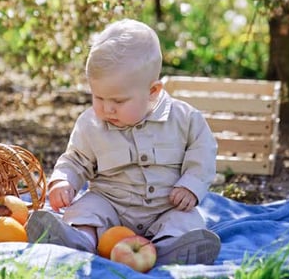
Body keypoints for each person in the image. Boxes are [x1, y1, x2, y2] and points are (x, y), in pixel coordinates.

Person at [27, 18, 220, 266]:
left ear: (153, 92)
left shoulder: (184, 119)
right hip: (111, 206)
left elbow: (203, 151)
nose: (107, 108)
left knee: (186, 220)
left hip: (166, 206)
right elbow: (75, 159)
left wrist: (191, 185)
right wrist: (64, 181)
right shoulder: (91, 124)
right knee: (86, 209)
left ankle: (171, 248)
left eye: (118, 101)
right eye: (98, 97)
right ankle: (78, 240)